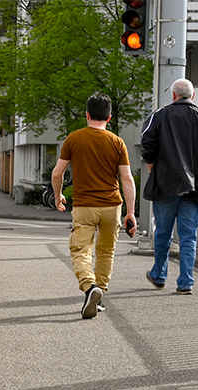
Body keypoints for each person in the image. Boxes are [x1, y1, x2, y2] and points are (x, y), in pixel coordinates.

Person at [51, 92, 136, 319]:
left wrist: (58, 196)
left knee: (80, 250)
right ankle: (100, 298)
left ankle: (90, 288)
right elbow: (127, 179)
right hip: (112, 206)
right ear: (109, 118)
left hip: (85, 206)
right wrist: (131, 212)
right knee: (106, 252)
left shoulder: (74, 139)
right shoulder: (117, 142)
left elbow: (57, 172)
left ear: (87, 115)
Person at [141, 78, 198, 295]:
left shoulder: (159, 116)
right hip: (195, 187)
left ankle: (159, 276)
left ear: (173, 95)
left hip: (166, 185)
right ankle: (186, 282)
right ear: (193, 95)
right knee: (189, 235)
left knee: (163, 232)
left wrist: (153, 170)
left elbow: (147, 145)